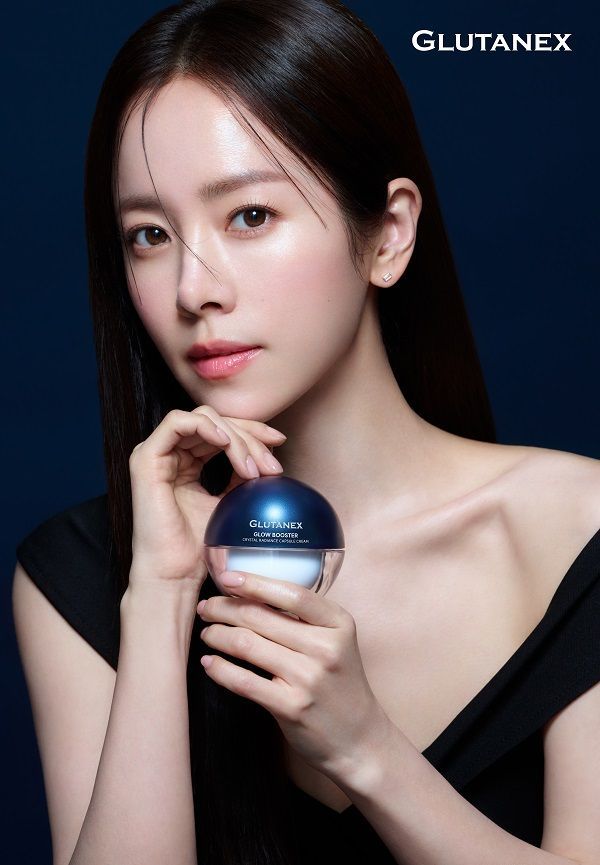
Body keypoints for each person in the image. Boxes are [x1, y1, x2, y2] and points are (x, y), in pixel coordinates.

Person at [12, 1, 600, 864]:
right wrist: (160, 601)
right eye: (150, 235)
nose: (194, 289)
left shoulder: (578, 530)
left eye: (250, 216)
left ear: (388, 235)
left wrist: (368, 751)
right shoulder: (80, 572)